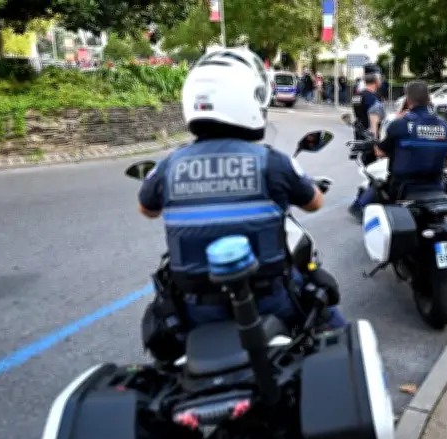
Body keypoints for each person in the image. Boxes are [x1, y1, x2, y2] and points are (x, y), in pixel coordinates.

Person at [136, 48, 347, 339]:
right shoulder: (271, 162)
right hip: (270, 302)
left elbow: (147, 209)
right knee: (336, 326)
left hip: (195, 310)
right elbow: (314, 202)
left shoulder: (169, 165)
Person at [349, 81, 447, 218]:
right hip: (436, 185)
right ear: (429, 99)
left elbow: (380, 152)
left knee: (376, 186)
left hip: (402, 188)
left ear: (408, 100)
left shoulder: (400, 124)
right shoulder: (445, 126)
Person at [348, 63, 387, 219]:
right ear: (377, 79)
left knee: (369, 173)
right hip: (370, 142)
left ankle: (362, 201)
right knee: (375, 175)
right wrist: (377, 143)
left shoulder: (358, 96)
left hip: (360, 139)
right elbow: (373, 125)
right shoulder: (372, 99)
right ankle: (360, 204)